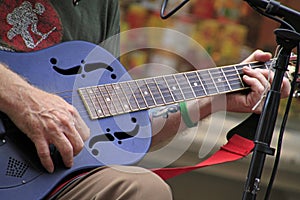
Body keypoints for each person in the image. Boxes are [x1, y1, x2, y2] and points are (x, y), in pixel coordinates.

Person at [0, 1, 291, 200]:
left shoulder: (101, 5)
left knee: (145, 190)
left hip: (48, 175)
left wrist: (215, 99)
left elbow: (117, 126)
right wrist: (22, 99)